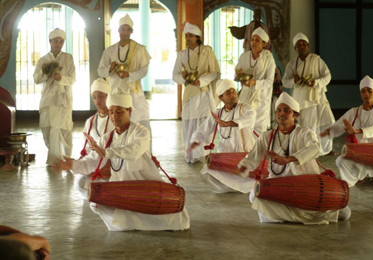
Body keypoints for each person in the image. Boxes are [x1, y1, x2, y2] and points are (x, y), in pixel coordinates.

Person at [52, 88, 190, 231]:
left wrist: (106, 152)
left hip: (145, 188)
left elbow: (133, 150)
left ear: (129, 111)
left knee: (175, 222)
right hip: (121, 191)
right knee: (96, 202)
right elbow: (92, 162)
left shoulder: (141, 132)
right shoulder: (107, 138)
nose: (114, 116)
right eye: (111, 112)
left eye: (119, 111)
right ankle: (127, 223)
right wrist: (72, 164)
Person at [238, 92, 351, 224]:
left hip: (306, 185)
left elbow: (315, 147)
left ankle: (286, 215)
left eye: (287, 110)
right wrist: (243, 166)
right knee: (254, 195)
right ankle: (290, 214)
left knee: (345, 213)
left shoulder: (305, 133)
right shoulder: (267, 136)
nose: (281, 114)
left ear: (295, 115)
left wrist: (288, 159)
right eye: (279, 110)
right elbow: (252, 157)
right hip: (279, 185)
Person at [321, 76, 373, 186]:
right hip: (361, 155)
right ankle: (358, 177)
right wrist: (328, 132)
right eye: (363, 91)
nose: (366, 94)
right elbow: (338, 126)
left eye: (369, 90)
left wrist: (357, 131)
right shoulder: (354, 112)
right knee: (340, 161)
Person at [189, 79, 256, 193]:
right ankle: (237, 186)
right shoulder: (217, 114)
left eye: (234, 91)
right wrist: (196, 140)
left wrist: (227, 124)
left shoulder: (246, 109)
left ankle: (238, 186)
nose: (233, 95)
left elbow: (249, 118)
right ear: (221, 97)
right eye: (228, 93)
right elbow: (201, 131)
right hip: (226, 162)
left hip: (246, 160)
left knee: (260, 174)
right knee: (206, 173)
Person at [97, 14, 152, 149]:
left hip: (134, 92)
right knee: (118, 122)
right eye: (122, 29)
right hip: (116, 92)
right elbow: (100, 71)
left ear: (132, 31)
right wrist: (110, 69)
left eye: (128, 29)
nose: (125, 32)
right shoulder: (110, 51)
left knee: (139, 120)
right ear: (118, 30)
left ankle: (143, 154)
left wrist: (130, 74)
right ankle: (118, 154)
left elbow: (144, 70)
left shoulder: (139, 49)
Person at [172, 22, 220, 163]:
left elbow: (214, 73)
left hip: (203, 92)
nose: (187, 38)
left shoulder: (207, 51)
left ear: (197, 37)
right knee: (189, 123)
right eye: (186, 35)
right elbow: (175, 75)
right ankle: (191, 155)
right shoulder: (182, 54)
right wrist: (184, 77)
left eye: (190, 35)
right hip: (189, 93)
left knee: (204, 122)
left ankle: (205, 154)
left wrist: (201, 81)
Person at [282, 32, 336, 156]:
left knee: (322, 123)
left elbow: (328, 77)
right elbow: (285, 82)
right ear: (295, 48)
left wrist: (316, 82)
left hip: (316, 98)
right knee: (304, 125)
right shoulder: (292, 64)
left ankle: (322, 149)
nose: (302, 46)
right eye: (299, 45)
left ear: (308, 46)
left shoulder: (317, 60)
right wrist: (294, 80)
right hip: (300, 100)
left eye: (304, 44)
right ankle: (304, 148)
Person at [33, 28, 76, 165]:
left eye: (61, 41)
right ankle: (53, 157)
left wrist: (60, 78)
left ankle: (67, 158)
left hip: (63, 99)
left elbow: (73, 78)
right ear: (50, 42)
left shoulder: (68, 58)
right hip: (47, 100)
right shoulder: (43, 60)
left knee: (65, 129)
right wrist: (44, 72)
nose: (58, 44)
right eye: (55, 41)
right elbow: (36, 79)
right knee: (47, 129)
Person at [74, 78, 114, 199]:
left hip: (112, 165)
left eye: (101, 96)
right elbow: (85, 148)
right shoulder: (90, 121)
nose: (97, 100)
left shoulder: (115, 118)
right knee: (79, 184)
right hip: (94, 164)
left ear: (108, 96)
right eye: (94, 97)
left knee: (100, 186)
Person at [234, 27, 276, 136]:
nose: (253, 42)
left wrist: (255, 83)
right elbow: (236, 74)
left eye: (257, 40)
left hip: (261, 100)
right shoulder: (244, 56)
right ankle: (245, 152)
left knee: (258, 130)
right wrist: (239, 75)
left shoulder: (268, 58)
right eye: (252, 39)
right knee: (244, 126)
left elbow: (269, 81)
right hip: (246, 96)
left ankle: (258, 152)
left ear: (264, 44)